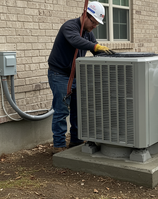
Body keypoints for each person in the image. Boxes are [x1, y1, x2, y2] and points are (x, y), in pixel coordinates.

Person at [47, 1, 113, 153]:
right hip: (60, 75)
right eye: (94, 23)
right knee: (62, 111)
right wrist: (94, 46)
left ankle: (76, 142)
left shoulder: (88, 32)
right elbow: (76, 41)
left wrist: (110, 55)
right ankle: (59, 145)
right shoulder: (70, 27)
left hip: (77, 76)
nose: (95, 27)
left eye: (97, 24)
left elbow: (96, 49)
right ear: (86, 15)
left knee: (79, 110)